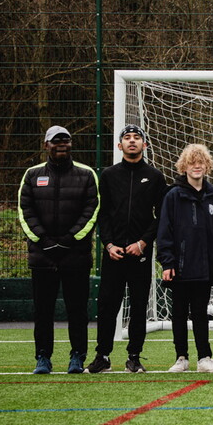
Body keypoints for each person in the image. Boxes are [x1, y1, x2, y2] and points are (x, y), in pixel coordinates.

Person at [86, 124, 167, 374]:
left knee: (139, 304)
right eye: (127, 138)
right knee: (108, 305)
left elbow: (161, 215)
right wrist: (108, 244)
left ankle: (134, 356)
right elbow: (102, 215)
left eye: (137, 138)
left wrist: (143, 242)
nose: (132, 141)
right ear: (119, 145)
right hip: (114, 254)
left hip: (140, 254)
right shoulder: (108, 175)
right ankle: (102, 356)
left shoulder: (155, 176)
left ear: (145, 144)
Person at [18, 125, 100, 375]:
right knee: (43, 311)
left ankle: (77, 356)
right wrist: (43, 240)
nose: (61, 144)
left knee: (77, 310)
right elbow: (25, 210)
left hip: (75, 256)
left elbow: (92, 210)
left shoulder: (86, 174)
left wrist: (68, 239)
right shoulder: (32, 175)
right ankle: (43, 357)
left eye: (65, 140)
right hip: (42, 257)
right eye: (56, 141)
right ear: (46, 145)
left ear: (71, 144)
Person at [156, 144, 213, 373]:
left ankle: (205, 358)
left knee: (200, 313)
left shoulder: (212, 196)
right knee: (178, 313)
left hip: (205, 267)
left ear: (207, 166)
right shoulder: (173, 195)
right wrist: (167, 262)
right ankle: (181, 358)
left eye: (201, 162)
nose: (196, 166)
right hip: (179, 267)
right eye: (192, 162)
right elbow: (164, 231)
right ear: (184, 166)